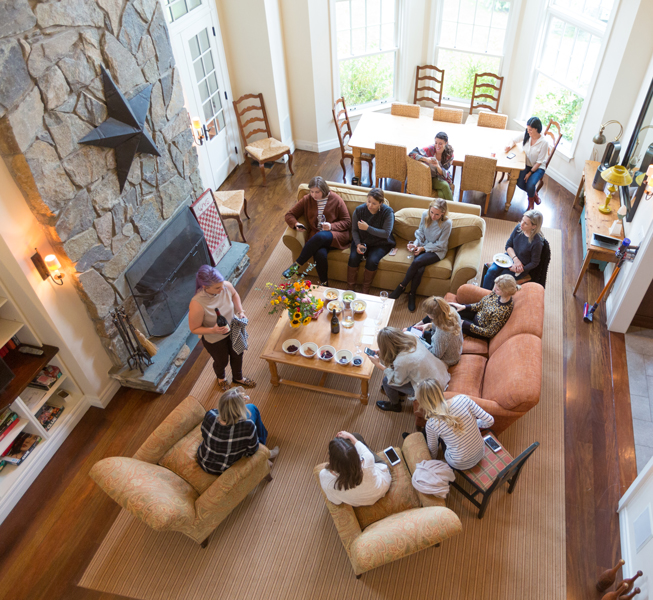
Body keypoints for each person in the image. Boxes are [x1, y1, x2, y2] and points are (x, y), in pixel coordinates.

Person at [189, 265, 256, 392]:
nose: (222, 289)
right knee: (222, 361)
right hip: (214, 339)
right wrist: (212, 330)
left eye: (222, 285)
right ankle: (221, 378)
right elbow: (194, 329)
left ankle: (238, 378)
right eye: (217, 288)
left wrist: (240, 311)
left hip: (233, 330)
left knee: (238, 355)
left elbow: (235, 294)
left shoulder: (225, 286)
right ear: (205, 287)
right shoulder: (197, 303)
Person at [283, 176, 351, 286]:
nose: (314, 195)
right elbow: (289, 215)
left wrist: (331, 226)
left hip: (336, 235)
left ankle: (297, 264)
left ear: (324, 190)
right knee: (320, 254)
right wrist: (297, 224)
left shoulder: (336, 199)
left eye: (317, 192)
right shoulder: (307, 199)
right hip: (317, 237)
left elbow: (347, 222)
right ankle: (324, 284)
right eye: (312, 191)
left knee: (321, 236)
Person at [196, 387, 279, 475]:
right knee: (253, 408)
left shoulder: (210, 414)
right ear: (240, 410)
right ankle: (265, 452)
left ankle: (264, 450)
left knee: (251, 408)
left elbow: (203, 433)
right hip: (224, 468)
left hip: (203, 460)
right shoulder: (247, 426)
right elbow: (252, 450)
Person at [388, 199, 452, 312]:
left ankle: (401, 287)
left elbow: (441, 244)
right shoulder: (425, 215)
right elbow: (420, 233)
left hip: (437, 251)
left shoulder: (447, 223)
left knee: (417, 262)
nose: (433, 216)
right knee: (419, 269)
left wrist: (423, 248)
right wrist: (415, 244)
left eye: (437, 214)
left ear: (443, 213)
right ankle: (412, 294)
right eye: (432, 212)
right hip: (423, 245)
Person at [415, 379, 494, 470]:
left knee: (435, 433)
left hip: (459, 463)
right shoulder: (463, 399)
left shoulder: (432, 423)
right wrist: (473, 423)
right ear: (441, 390)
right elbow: (490, 420)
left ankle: (418, 435)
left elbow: (433, 448)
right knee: (439, 431)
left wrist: (432, 459)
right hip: (480, 452)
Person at [367, 327, 450, 413]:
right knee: (403, 373)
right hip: (440, 373)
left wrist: (378, 365)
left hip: (431, 389)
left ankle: (395, 405)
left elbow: (397, 380)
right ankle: (399, 393)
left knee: (386, 381)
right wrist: (382, 351)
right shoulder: (409, 335)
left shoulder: (400, 361)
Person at [319, 431, 391, 507]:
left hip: (363, 502)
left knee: (351, 440)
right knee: (356, 436)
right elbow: (358, 444)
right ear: (356, 455)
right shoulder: (367, 460)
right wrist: (350, 436)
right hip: (383, 487)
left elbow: (336, 502)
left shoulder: (326, 477)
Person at [347, 188, 395, 293]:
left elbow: (386, 233)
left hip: (380, 243)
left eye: (374, 203)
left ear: (380, 203)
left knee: (372, 261)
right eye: (368, 201)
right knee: (353, 258)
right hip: (362, 240)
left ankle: (365, 290)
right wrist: (358, 244)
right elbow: (354, 230)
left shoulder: (387, 213)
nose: (370, 205)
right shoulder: (359, 210)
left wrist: (368, 228)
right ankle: (350, 289)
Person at [482, 210, 543, 290]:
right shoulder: (518, 228)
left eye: (526, 223)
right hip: (510, 257)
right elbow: (508, 246)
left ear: (534, 226)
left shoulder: (537, 242)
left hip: (520, 267)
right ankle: (484, 296)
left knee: (502, 279)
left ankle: (495, 300)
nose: (521, 224)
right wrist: (515, 259)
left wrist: (520, 269)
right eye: (522, 220)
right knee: (491, 271)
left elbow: (534, 262)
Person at [450, 274, 519, 339]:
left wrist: (467, 324)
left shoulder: (502, 311)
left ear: (505, 292)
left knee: (450, 322)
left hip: (477, 329)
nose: (494, 289)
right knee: (451, 309)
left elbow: (489, 332)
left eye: (497, 289)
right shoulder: (496, 294)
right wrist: (464, 307)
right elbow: (480, 305)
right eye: (495, 286)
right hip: (477, 315)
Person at [505, 117, 550, 210]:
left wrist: (530, 173)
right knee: (518, 181)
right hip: (526, 164)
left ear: (536, 129)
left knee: (530, 184)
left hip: (538, 167)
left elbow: (539, 161)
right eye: (527, 129)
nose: (528, 131)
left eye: (530, 130)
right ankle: (534, 194)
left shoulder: (544, 142)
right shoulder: (527, 134)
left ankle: (531, 204)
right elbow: (514, 140)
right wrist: (509, 146)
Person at [405, 296, 463, 366]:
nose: (427, 315)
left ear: (433, 316)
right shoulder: (452, 312)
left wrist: (418, 340)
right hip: (447, 347)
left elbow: (435, 355)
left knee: (407, 336)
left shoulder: (442, 334)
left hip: (448, 360)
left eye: (428, 314)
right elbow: (440, 325)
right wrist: (427, 325)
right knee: (407, 332)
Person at [408, 132, 455, 200]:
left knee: (441, 194)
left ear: (446, 143)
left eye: (440, 143)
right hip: (427, 178)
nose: (437, 146)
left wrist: (438, 166)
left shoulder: (449, 156)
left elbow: (444, 173)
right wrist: (426, 159)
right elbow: (411, 154)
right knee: (445, 186)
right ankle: (453, 209)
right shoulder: (430, 149)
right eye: (436, 143)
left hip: (440, 178)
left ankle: (443, 210)